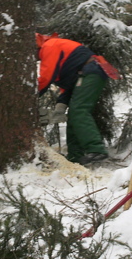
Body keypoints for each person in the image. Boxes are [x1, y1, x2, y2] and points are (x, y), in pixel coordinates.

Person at [36, 33, 117, 165]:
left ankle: (96, 149)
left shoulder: (49, 46)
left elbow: (46, 77)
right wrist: (61, 105)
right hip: (85, 73)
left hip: (90, 71)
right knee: (74, 114)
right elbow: (69, 84)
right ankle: (75, 157)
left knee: (79, 110)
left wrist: (33, 96)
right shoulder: (53, 46)